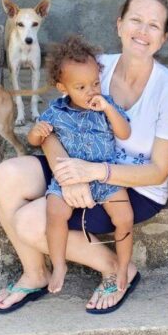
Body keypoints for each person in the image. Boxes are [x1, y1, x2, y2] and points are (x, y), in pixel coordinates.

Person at [0, 0, 168, 314]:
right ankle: (35, 273)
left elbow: (159, 172)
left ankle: (116, 268)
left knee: (29, 222)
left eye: (154, 25)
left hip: (134, 186)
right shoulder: (95, 67)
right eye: (135, 20)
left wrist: (93, 173)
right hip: (78, 163)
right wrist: (69, 176)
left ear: (164, 38)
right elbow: (55, 125)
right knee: (6, 176)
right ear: (119, 25)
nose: (142, 31)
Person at [27, 36, 134, 306]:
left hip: (104, 175)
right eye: (81, 87)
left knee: (125, 217)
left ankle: (122, 267)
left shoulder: (106, 105)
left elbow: (124, 132)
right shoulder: (56, 112)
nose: (91, 92)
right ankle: (59, 264)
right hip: (70, 178)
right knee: (55, 212)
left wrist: (109, 109)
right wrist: (37, 132)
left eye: (95, 83)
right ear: (62, 87)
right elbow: (34, 140)